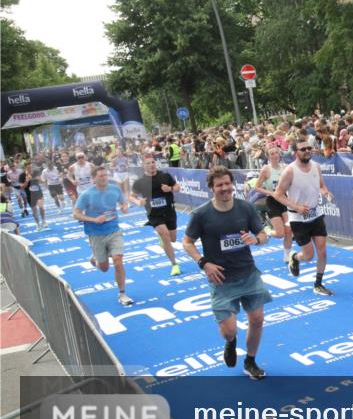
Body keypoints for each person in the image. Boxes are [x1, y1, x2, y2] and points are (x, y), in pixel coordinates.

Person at [182, 167, 271, 380]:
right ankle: (231, 343)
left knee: (257, 319)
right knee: (229, 331)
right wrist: (203, 263)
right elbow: (187, 242)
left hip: (248, 273)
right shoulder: (201, 214)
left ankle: (250, 361)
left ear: (233, 185)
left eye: (227, 184)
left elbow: (262, 234)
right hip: (221, 280)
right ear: (212, 188)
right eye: (219, 185)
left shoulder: (246, 208)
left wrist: (256, 239)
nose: (224, 188)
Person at [274, 138, 335, 296]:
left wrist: (326, 193)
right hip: (298, 219)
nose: (307, 151)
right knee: (308, 256)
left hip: (316, 214)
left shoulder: (316, 166)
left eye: (309, 148)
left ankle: (318, 284)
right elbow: (278, 194)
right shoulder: (290, 171)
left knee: (322, 252)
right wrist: (296, 207)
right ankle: (295, 257)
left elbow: (321, 185)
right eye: (303, 149)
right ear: (296, 152)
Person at [73, 166, 133, 306]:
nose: (104, 178)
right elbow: (76, 214)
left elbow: (123, 200)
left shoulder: (115, 189)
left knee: (118, 260)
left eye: (105, 175)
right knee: (104, 268)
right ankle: (96, 259)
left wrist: (124, 206)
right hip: (96, 234)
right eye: (100, 176)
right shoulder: (87, 194)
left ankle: (122, 293)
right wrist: (94, 220)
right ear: (94, 178)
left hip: (114, 230)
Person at [130, 156, 182, 276]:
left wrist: (169, 188)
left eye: (153, 162)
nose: (151, 165)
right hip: (154, 214)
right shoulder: (140, 182)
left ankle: (163, 239)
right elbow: (131, 196)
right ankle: (174, 264)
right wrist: (138, 202)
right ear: (144, 166)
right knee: (165, 235)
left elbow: (178, 187)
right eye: (148, 163)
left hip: (169, 211)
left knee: (172, 239)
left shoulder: (165, 176)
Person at [19, 162, 47, 230]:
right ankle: (37, 224)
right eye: (28, 168)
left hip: (38, 192)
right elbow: (21, 187)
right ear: (25, 168)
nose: (30, 169)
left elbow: (43, 181)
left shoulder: (35, 172)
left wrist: (41, 180)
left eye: (31, 167)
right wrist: (27, 181)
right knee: (34, 210)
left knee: (41, 207)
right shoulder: (22, 175)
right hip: (30, 195)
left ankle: (44, 220)